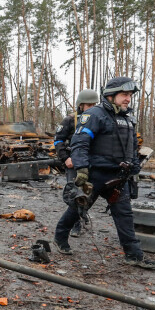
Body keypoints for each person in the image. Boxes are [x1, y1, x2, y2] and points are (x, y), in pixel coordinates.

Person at [53, 77, 155, 269]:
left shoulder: (127, 118)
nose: (128, 99)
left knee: (125, 215)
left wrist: (134, 166)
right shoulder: (94, 115)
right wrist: (82, 169)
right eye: (124, 95)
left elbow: (132, 147)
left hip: (119, 177)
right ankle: (60, 237)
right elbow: (80, 142)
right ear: (111, 95)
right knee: (78, 209)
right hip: (95, 176)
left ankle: (134, 255)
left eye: (130, 95)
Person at [54, 89, 99, 238]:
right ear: (81, 105)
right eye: (88, 105)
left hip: (90, 163)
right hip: (73, 163)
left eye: (94, 104)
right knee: (74, 194)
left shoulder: (98, 119)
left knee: (88, 193)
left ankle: (82, 215)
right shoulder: (70, 120)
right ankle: (75, 224)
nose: (91, 107)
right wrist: (65, 158)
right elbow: (58, 141)